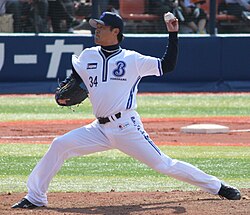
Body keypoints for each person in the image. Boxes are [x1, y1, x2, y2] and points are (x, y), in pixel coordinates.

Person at [11, 11, 241, 209]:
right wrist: (64, 94)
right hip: (98, 129)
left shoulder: (132, 59)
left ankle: (218, 186)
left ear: (116, 31)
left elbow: (167, 65)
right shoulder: (88, 55)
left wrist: (173, 34)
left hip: (126, 126)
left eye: (102, 27)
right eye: (96, 27)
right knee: (60, 145)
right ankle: (35, 197)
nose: (96, 31)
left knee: (163, 164)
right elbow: (74, 80)